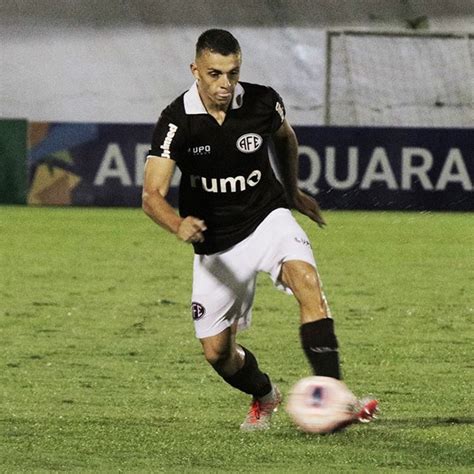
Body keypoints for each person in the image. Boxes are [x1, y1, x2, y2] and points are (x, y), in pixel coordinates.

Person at [143, 29, 377, 431]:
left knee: (307, 281)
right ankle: (265, 395)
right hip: (215, 242)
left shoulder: (263, 101)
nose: (224, 84)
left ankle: (336, 397)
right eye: (214, 74)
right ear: (195, 69)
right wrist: (177, 223)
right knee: (218, 353)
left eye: (232, 73)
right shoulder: (176, 121)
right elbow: (151, 194)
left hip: (267, 217)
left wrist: (292, 192)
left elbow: (286, 139)